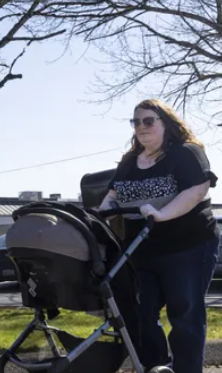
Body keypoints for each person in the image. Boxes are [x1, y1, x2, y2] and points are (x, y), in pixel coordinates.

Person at [98, 99, 219, 373]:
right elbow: (112, 197)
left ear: (166, 123)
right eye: (136, 122)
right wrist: (99, 213)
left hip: (188, 247)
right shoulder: (129, 161)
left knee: (184, 314)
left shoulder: (187, 153)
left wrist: (162, 214)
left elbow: (197, 190)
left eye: (148, 120)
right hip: (140, 250)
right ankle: (157, 368)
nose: (141, 127)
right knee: (140, 314)